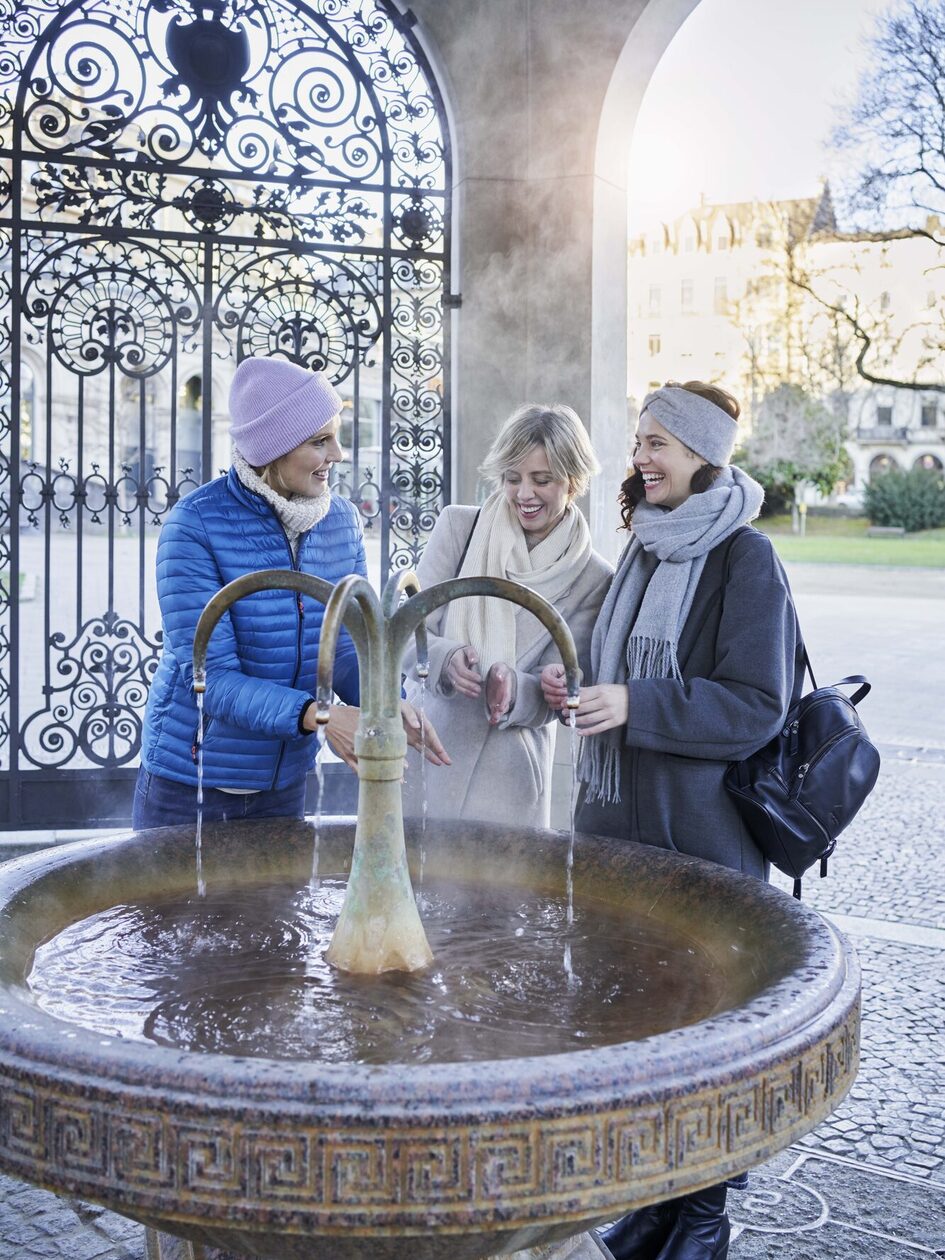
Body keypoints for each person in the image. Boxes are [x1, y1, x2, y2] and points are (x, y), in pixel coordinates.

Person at [541, 380, 805, 1260]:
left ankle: (700, 1219)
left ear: (702, 454)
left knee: (706, 1042)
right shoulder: (647, 550)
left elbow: (754, 706)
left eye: (657, 442)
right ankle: (656, 1200)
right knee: (638, 1032)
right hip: (618, 833)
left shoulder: (744, 558)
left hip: (702, 848)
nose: (640, 457)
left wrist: (634, 702)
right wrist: (576, 690)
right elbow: (616, 675)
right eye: (639, 440)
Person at [134, 355, 445, 830]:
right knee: (181, 909)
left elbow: (345, 647)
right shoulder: (195, 525)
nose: (337, 455)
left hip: (283, 785)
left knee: (270, 908)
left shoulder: (340, 521)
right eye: (320, 441)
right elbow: (211, 680)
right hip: (190, 783)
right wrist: (321, 715)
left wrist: (385, 701)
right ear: (273, 449)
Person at [401, 403, 612, 827]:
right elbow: (403, 631)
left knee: (508, 893)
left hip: (512, 779)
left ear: (573, 481)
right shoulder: (459, 529)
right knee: (416, 888)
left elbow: (566, 688)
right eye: (512, 478)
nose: (523, 494)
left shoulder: (595, 577)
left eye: (541, 480)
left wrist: (517, 688)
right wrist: (445, 658)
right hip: (430, 752)